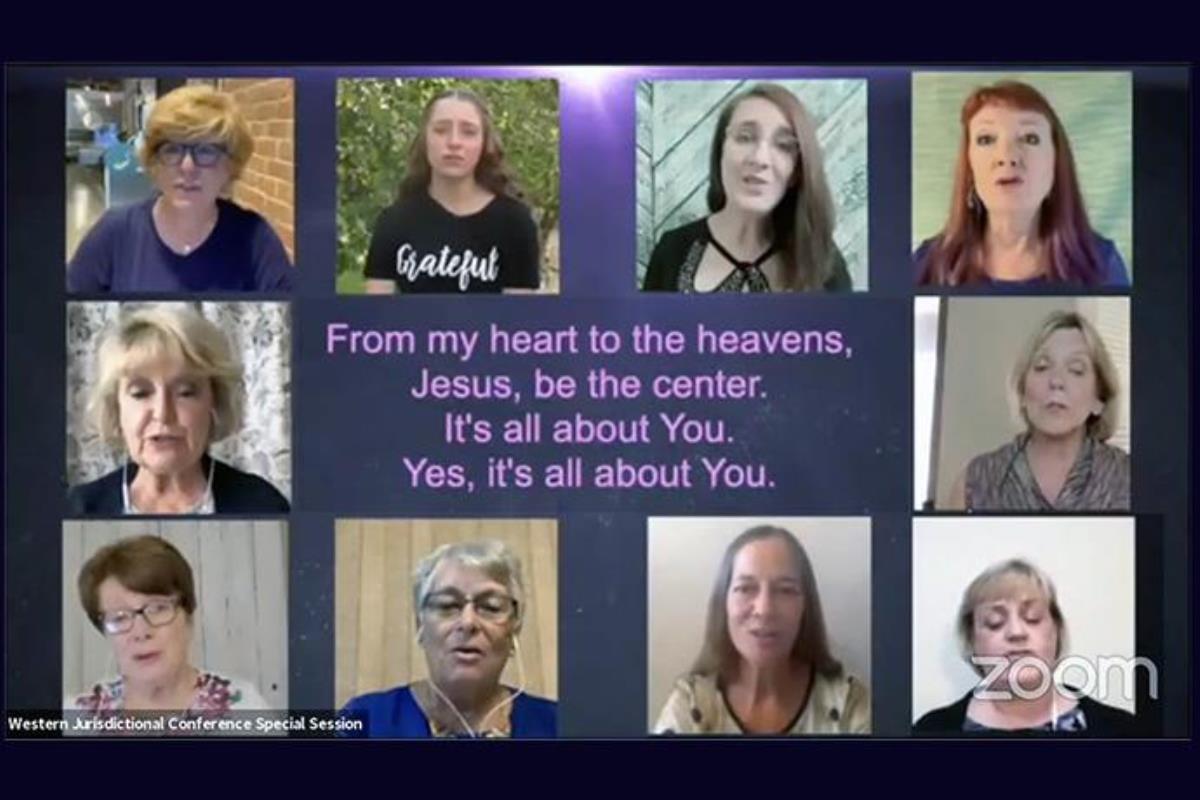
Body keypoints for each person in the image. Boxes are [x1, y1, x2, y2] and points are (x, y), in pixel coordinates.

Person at [68, 84, 293, 293]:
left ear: (230, 165)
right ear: (154, 161)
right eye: (172, 150)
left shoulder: (256, 239)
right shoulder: (115, 232)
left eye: (206, 151)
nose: (187, 167)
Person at [67, 304, 290, 514]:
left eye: (185, 392)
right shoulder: (79, 507)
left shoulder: (263, 503)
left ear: (214, 401)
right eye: (140, 394)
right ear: (116, 408)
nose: (163, 413)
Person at [653, 526, 869, 734]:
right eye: (745, 588)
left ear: (806, 606)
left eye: (785, 590)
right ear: (724, 603)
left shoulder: (848, 704)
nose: (765, 610)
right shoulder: (690, 706)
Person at [915, 80, 1128, 288]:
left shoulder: (1101, 265)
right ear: (969, 167)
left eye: (1030, 138)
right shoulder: (928, 265)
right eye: (986, 139)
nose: (1007, 157)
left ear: (1056, 163)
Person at [642, 83, 850, 293]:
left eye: (784, 145)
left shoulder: (825, 264)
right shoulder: (672, 250)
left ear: (797, 172)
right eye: (745, 137)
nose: (759, 158)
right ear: (721, 150)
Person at [341, 541, 556, 737]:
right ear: (420, 625)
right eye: (447, 605)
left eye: (490, 607)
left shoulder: (557, 723)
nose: (468, 622)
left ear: (514, 629)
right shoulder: (362, 718)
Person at [913, 558, 1138, 735]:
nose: (1016, 632)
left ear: (1057, 632)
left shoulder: (1124, 730)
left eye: (1032, 618)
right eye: (995, 622)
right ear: (971, 641)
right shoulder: (931, 730)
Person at [65, 535, 269, 718]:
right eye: (119, 618)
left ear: (188, 617)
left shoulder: (246, 709)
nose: (141, 632)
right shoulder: (73, 717)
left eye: (157, 608)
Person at [363, 87, 541, 294]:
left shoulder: (515, 222)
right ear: (425, 139)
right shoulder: (393, 221)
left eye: (468, 132)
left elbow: (518, 321)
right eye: (441, 130)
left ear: (484, 143)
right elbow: (375, 317)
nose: (454, 142)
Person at [947, 310, 1129, 511]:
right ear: (1022, 392)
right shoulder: (974, 482)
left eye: (1076, 369)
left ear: (1099, 399)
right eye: (1042, 367)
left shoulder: (1128, 477)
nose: (1056, 381)